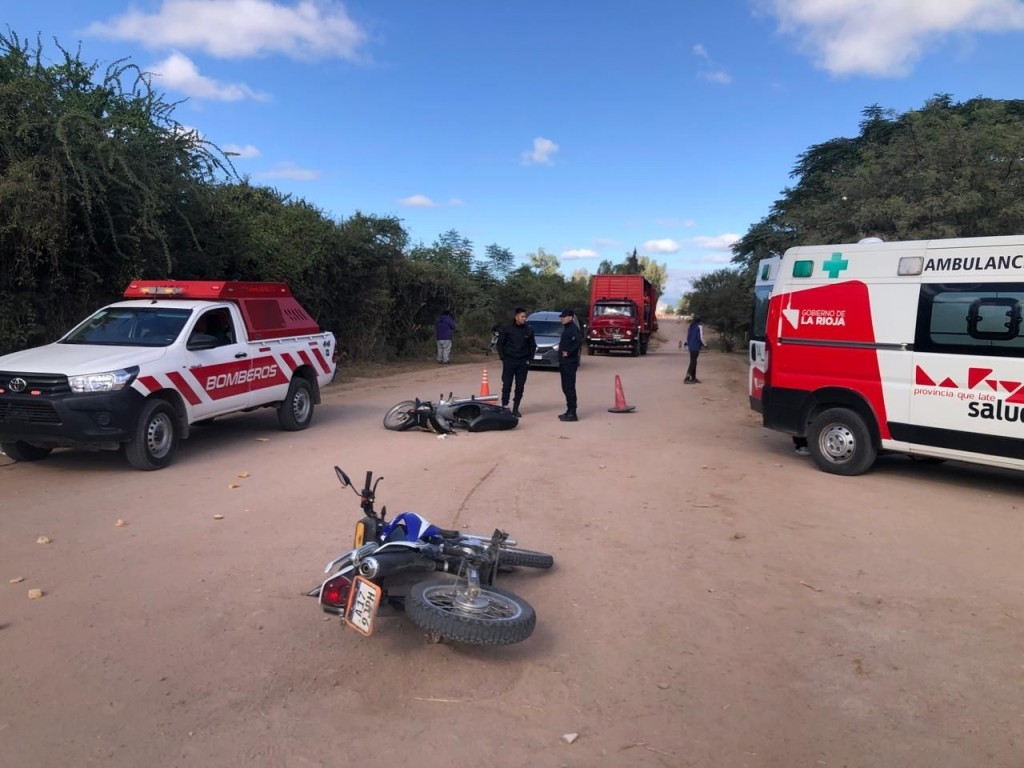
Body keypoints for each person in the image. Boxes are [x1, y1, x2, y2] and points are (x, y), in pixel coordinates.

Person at [496, 307, 537, 417]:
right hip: (509, 360)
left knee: (520, 386)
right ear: (516, 317)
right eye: (522, 316)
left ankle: (516, 408)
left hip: (523, 362)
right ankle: (505, 406)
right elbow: (500, 344)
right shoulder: (507, 329)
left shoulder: (528, 330)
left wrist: (529, 359)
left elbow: (532, 345)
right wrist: (503, 357)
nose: (524, 318)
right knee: (507, 385)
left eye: (525, 316)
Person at [557, 309, 582, 421]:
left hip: (570, 363)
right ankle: (569, 410)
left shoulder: (573, 329)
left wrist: (569, 352)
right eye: (561, 317)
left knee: (569, 387)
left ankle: (573, 413)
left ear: (571, 318)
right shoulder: (567, 329)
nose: (562, 318)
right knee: (565, 387)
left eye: (564, 316)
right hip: (564, 362)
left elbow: (578, 342)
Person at [684, 316, 707, 384]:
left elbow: (688, 337)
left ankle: (693, 378)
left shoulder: (691, 326)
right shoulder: (699, 327)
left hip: (691, 346)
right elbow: (700, 337)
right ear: (699, 321)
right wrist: (705, 345)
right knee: (693, 362)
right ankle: (687, 378)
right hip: (696, 346)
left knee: (694, 361)